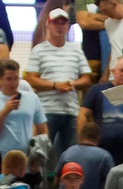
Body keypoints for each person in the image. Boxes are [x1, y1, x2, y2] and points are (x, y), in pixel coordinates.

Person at [26, 8, 88, 160]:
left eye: (63, 23)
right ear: (48, 25)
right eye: (56, 23)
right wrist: (55, 85)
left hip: (71, 111)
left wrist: (71, 84)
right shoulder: (38, 50)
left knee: (72, 156)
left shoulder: (76, 50)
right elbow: (31, 79)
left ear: (67, 27)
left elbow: (86, 78)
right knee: (42, 155)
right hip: (46, 111)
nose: (60, 26)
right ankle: (42, 183)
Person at [0, 58, 46, 160]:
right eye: (9, 79)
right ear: (0, 78)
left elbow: (43, 130)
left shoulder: (32, 97)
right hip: (0, 157)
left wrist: (36, 154)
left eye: (16, 78)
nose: (13, 83)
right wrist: (5, 111)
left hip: (26, 157)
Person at [82, 54, 123, 165]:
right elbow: (82, 114)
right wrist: (84, 142)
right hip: (100, 149)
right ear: (113, 71)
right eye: (121, 70)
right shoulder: (97, 90)